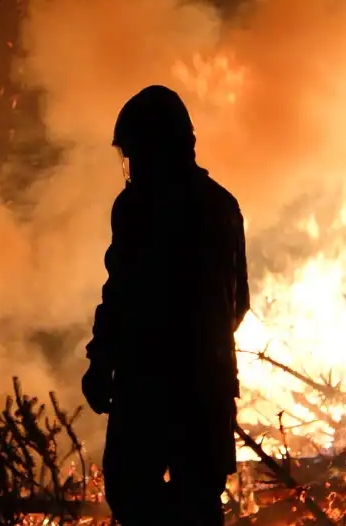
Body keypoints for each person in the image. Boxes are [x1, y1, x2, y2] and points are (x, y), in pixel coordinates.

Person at [82, 85, 251, 526]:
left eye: (134, 151)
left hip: (147, 387)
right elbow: (240, 302)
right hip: (209, 387)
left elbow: (120, 293)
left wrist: (103, 364)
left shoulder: (137, 206)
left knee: (130, 488)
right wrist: (206, 349)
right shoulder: (223, 205)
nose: (131, 165)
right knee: (199, 501)